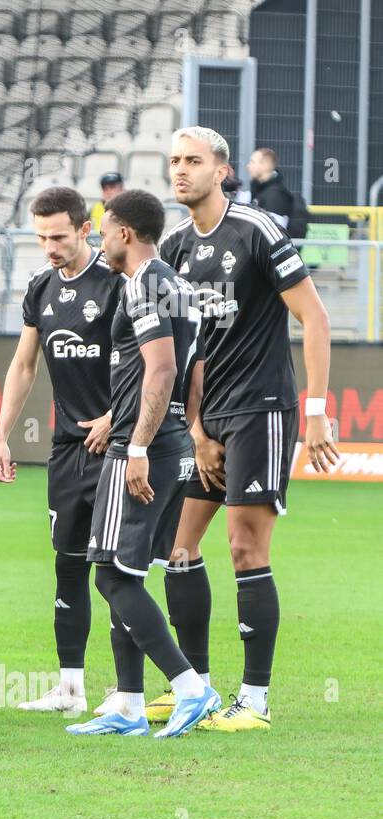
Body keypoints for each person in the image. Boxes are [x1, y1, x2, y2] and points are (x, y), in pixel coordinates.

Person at [158, 127, 338, 731]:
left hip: (263, 408)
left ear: (223, 170)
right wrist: (198, 427)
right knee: (179, 551)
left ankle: (255, 700)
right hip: (213, 417)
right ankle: (198, 688)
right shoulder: (178, 248)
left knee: (243, 547)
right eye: (174, 160)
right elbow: (194, 350)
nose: (180, 170)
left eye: (193, 161)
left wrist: (315, 410)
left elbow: (314, 316)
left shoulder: (258, 230)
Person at [66, 188, 219, 738]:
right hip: (170, 441)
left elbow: (160, 368)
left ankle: (189, 687)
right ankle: (128, 705)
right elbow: (193, 372)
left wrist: (133, 445)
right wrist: (181, 429)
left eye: (104, 230)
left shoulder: (146, 282)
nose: (99, 239)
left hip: (144, 448)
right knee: (127, 572)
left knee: (110, 574)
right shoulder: (179, 284)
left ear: (124, 233)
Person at [0, 186, 122, 716]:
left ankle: (126, 687)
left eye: (59, 236)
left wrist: (119, 419)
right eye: (41, 236)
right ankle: (70, 688)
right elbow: (25, 365)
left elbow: (157, 361)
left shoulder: (118, 285)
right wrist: (2, 435)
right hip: (68, 451)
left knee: (117, 571)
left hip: (119, 447)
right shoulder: (40, 289)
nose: (49, 245)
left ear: (85, 229)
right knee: (67, 567)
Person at [246, 147, 307, 238]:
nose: (248, 166)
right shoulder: (260, 191)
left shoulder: (275, 195)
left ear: (265, 166)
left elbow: (273, 234)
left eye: (252, 162)